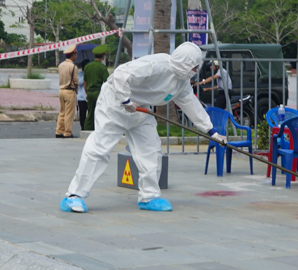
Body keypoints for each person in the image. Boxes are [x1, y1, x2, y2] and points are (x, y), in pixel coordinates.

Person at [60, 42, 228, 214]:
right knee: (99, 149)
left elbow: (192, 106)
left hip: (141, 110)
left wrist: (212, 132)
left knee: (151, 151)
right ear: (185, 62)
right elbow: (121, 74)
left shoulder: (182, 82)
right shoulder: (157, 64)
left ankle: (149, 196)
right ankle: (74, 195)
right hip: (114, 105)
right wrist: (125, 100)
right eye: (194, 66)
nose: (195, 70)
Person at [83, 45, 110, 131]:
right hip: (99, 92)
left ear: (94, 56)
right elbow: (107, 83)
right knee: (100, 112)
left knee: (90, 113)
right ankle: (98, 129)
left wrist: (87, 93)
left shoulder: (87, 67)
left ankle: (87, 129)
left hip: (90, 92)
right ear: (103, 56)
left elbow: (85, 82)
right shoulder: (103, 68)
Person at [56, 45, 79, 139]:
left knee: (62, 112)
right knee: (69, 113)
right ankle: (67, 132)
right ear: (73, 55)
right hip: (70, 91)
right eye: (75, 54)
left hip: (61, 90)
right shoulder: (73, 66)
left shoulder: (60, 65)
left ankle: (58, 131)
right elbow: (76, 81)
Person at [77, 60, 89, 131]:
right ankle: (83, 127)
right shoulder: (80, 74)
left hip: (89, 96)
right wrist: (85, 76)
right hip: (81, 97)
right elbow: (78, 83)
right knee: (82, 114)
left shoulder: (91, 73)